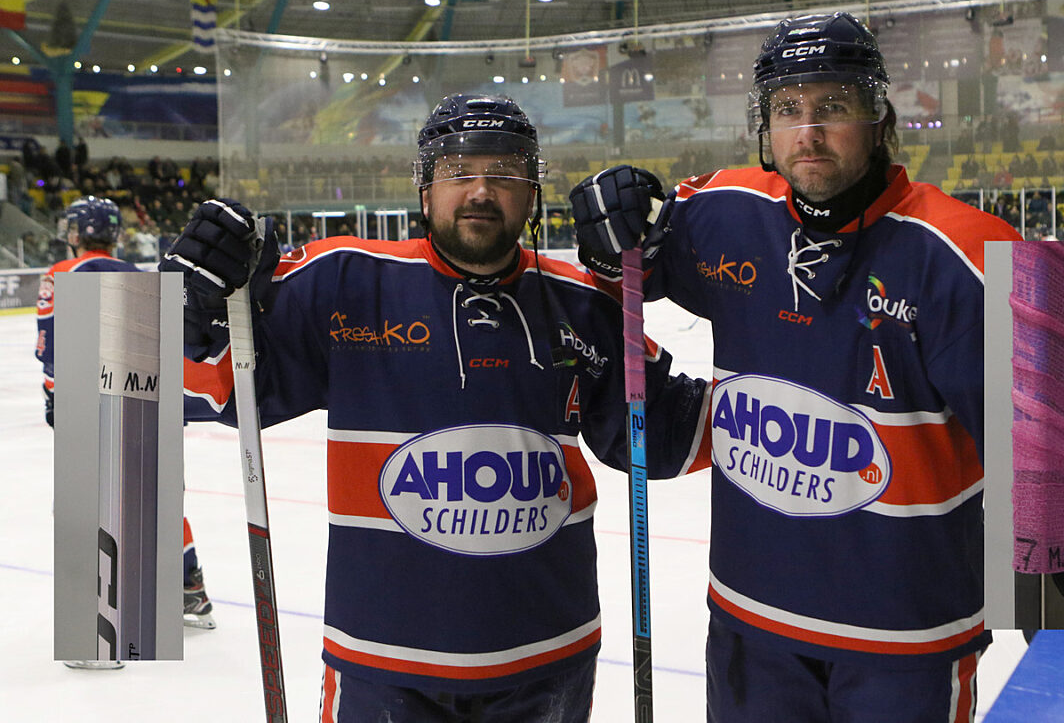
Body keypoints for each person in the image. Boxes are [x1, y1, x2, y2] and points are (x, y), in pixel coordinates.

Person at [161, 93, 708, 722]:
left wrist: (808, 367)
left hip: (546, 657)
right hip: (382, 659)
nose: (480, 190)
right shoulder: (344, 281)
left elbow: (662, 434)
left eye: (503, 173)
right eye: (458, 172)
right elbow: (224, 388)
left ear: (532, 194)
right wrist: (196, 307)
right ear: (424, 191)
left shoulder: (582, 303)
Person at [569, 12, 1023, 722]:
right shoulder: (723, 211)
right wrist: (605, 230)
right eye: (787, 109)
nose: (807, 133)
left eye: (832, 106)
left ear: (879, 117)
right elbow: (615, 275)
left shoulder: (977, 251)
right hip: (749, 627)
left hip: (906, 643)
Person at [36, 196, 217, 670]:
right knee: (158, 500)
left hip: (96, 401)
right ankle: (188, 592)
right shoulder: (142, 276)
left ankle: (97, 637)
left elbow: (53, 348)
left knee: (87, 505)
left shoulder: (64, 273)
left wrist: (56, 399)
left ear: (77, 231)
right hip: (153, 400)